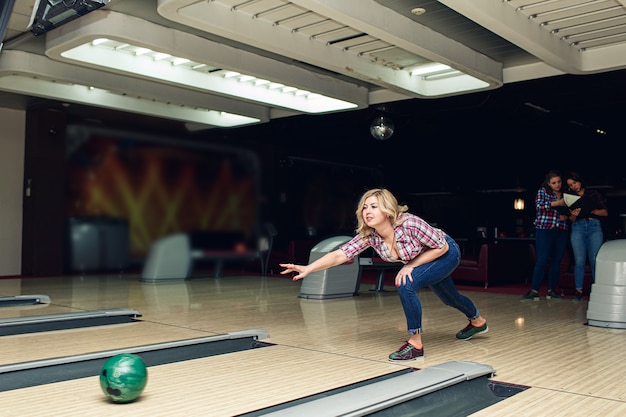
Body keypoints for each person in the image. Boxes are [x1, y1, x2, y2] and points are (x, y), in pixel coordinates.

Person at [280, 188, 488, 362]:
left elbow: (441, 247)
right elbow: (339, 254)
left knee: (406, 284)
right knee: (449, 298)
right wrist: (308, 268)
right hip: (424, 258)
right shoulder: (370, 236)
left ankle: (415, 345)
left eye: (373, 206)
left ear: (388, 210)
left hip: (445, 252)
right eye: (364, 207)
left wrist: (410, 266)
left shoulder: (409, 224)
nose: (367, 211)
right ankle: (478, 321)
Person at [522, 170, 570, 301]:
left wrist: (568, 215)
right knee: (542, 260)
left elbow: (572, 208)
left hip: (561, 228)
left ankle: (551, 291)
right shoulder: (543, 191)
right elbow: (539, 206)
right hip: (545, 228)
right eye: (554, 183)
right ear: (549, 183)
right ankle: (534, 291)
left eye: (559, 182)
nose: (557, 185)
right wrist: (557, 203)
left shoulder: (566, 194)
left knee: (557, 261)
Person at [565, 171, 608, 300]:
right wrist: (574, 214)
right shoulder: (570, 197)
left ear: (580, 181)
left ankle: (598, 290)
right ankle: (578, 291)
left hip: (594, 226)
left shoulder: (593, 194)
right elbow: (571, 219)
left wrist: (591, 210)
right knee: (579, 261)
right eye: (571, 185)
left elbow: (605, 212)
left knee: (595, 260)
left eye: (575, 182)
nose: (574, 186)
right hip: (578, 227)